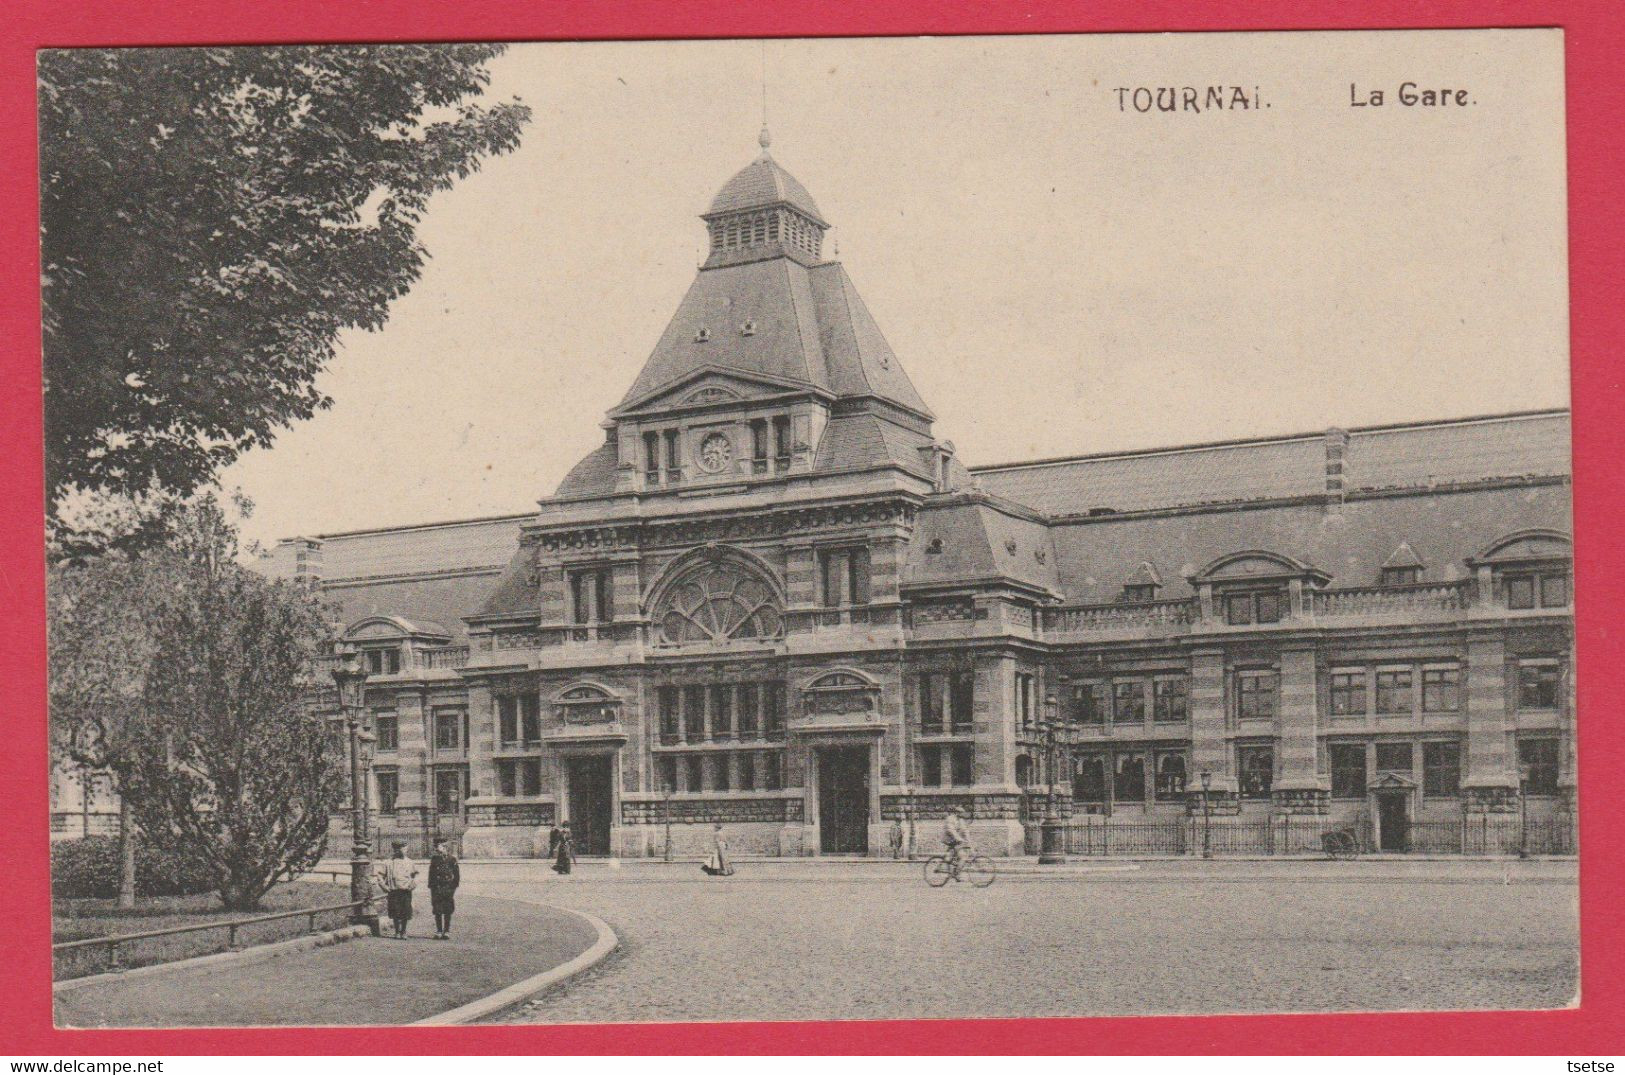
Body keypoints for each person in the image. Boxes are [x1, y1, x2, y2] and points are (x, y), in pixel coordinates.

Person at [376, 841, 418, 939]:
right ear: (396, 850)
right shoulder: (388, 862)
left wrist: (413, 884)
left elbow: (415, 876)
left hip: (406, 891)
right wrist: (384, 887)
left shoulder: (410, 862)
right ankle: (397, 931)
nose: (405, 851)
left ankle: (403, 931)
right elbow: (380, 876)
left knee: (405, 911)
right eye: (403, 849)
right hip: (394, 891)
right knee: (395, 911)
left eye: (405, 848)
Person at [428, 837, 460, 940]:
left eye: (438, 846)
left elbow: (456, 876)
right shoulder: (434, 859)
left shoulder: (452, 859)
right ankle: (438, 931)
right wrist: (432, 888)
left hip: (447, 888)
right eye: (435, 846)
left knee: (447, 910)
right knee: (437, 910)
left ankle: (446, 931)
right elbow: (431, 875)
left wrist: (452, 888)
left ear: (444, 846)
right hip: (437, 888)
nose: (436, 849)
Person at [942, 806, 972, 872]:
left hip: (955, 840)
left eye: (962, 813)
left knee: (960, 856)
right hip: (948, 839)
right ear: (956, 813)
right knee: (961, 856)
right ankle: (955, 872)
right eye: (961, 813)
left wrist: (969, 842)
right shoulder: (950, 819)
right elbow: (950, 830)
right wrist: (959, 838)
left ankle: (954, 867)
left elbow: (965, 831)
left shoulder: (961, 820)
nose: (962, 815)